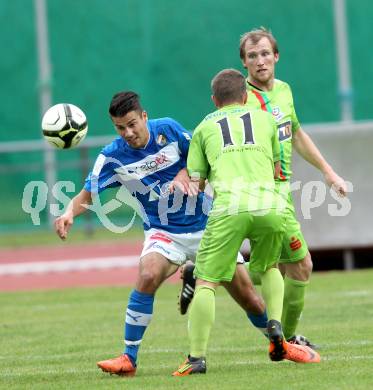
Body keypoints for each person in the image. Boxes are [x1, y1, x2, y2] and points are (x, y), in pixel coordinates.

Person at [54, 91, 268, 377]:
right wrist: (69, 213)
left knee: (249, 298)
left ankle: (283, 342)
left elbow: (202, 154)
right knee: (147, 276)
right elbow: (87, 195)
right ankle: (128, 358)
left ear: (144, 117)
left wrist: (185, 173)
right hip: (164, 233)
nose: (128, 132)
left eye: (132, 124)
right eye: (120, 127)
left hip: (208, 227)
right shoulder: (112, 156)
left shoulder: (167, 129)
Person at [179, 28, 347, 347]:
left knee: (286, 267)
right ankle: (286, 339)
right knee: (299, 265)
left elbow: (295, 133)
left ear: (276, 56)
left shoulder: (284, 91)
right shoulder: (244, 101)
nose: (260, 61)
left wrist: (328, 172)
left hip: (281, 189)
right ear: (243, 63)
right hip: (263, 192)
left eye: (265, 53)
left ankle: (204, 273)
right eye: (252, 56)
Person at [172, 69, 320, 377]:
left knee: (206, 281)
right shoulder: (266, 120)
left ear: (214, 100)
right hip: (271, 205)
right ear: (245, 96)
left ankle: (196, 358)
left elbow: (197, 184)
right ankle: (276, 329)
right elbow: (279, 167)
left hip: (229, 208)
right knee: (269, 268)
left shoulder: (203, 128)